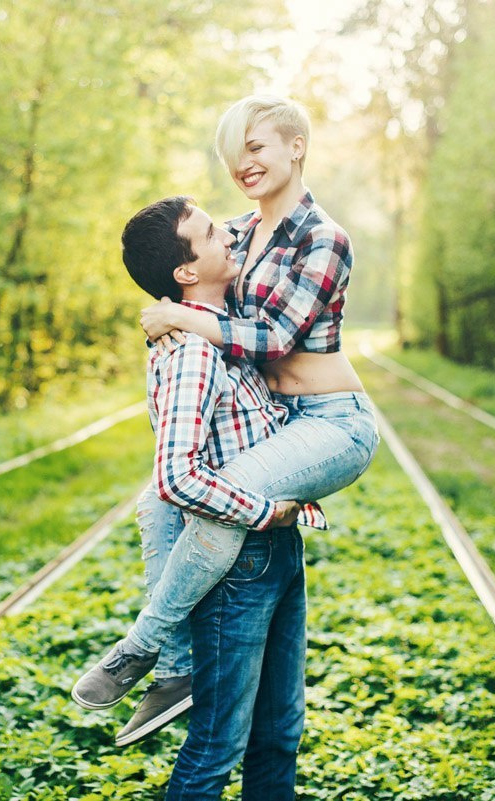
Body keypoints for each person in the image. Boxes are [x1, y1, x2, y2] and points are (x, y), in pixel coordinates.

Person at [73, 95, 380, 756]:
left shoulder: (322, 238)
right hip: (277, 424)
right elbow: (188, 274)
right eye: (234, 152)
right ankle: (177, 668)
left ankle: (143, 642)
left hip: (330, 424)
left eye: (257, 146)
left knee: (216, 497)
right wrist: (173, 309)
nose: (244, 163)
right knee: (156, 498)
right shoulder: (238, 234)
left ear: (296, 145)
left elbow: (270, 339)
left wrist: (178, 317)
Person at [76, 195, 316, 798]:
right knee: (217, 747)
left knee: (280, 732)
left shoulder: (215, 316)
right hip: (237, 560)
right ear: (187, 273)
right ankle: (151, 656)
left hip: (278, 553)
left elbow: (251, 224)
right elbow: (175, 477)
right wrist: (265, 511)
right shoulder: (192, 354)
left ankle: (161, 660)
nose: (229, 236)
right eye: (212, 234)